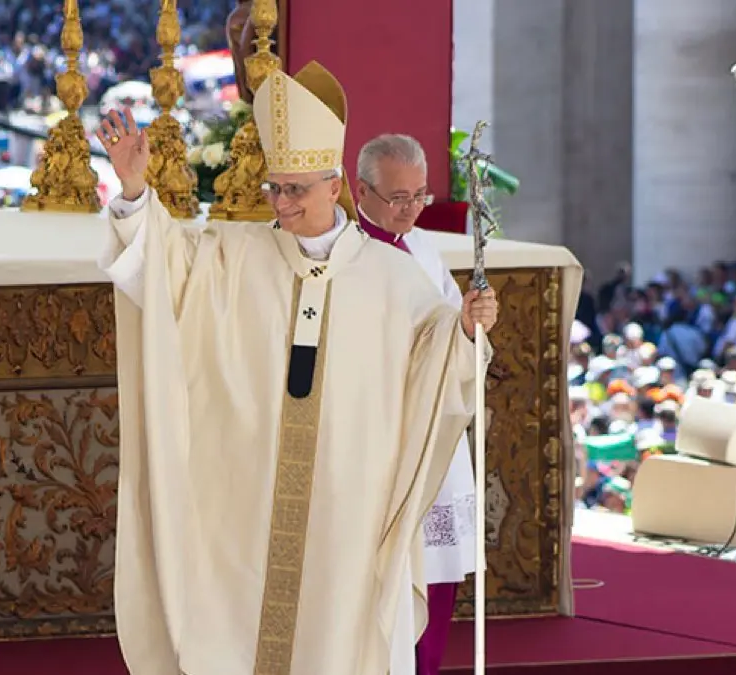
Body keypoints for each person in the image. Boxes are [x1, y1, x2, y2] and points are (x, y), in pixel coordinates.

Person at [96, 60, 498, 675]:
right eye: (275, 189)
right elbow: (164, 269)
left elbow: (437, 360)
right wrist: (131, 190)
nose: (281, 204)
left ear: (335, 186)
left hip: (348, 505)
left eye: (297, 189)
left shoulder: (392, 277)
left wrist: (466, 329)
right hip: (246, 502)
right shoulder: (235, 256)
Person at [354, 133, 479, 675]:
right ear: (361, 191)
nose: (410, 209)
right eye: (398, 198)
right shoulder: (347, 251)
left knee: (437, 578)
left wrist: (471, 326)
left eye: (419, 196)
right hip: (379, 440)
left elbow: (454, 335)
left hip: (436, 432)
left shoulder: (424, 248)